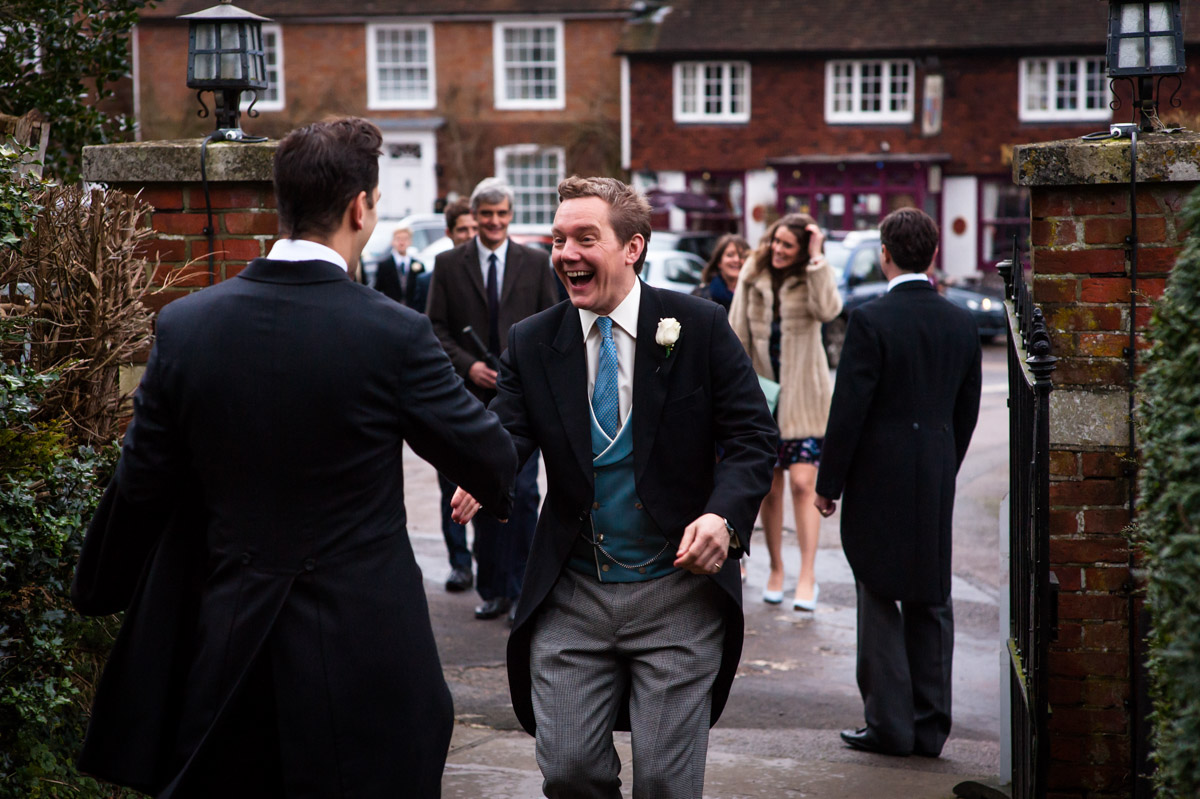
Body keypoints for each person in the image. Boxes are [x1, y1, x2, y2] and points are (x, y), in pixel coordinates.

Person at [70, 117, 517, 798]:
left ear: (283, 202)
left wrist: (100, 589)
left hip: (228, 641)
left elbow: (140, 484)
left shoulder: (188, 326)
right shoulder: (391, 333)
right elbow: (487, 455)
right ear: (360, 207)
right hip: (368, 651)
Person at [454, 176, 776, 798]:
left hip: (679, 595)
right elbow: (508, 433)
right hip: (572, 594)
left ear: (632, 248)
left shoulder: (700, 327)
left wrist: (724, 517)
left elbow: (753, 439)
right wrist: (477, 464)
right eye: (557, 239)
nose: (566, 253)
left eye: (584, 238)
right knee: (569, 771)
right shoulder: (532, 340)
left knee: (664, 781)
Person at [814, 207, 982, 758]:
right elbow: (968, 408)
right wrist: (942, 461)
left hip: (878, 472)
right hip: (934, 464)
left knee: (879, 591)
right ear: (932, 254)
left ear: (885, 253)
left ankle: (890, 726)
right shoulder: (960, 321)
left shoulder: (870, 320)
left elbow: (850, 410)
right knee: (932, 596)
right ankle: (930, 726)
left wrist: (829, 483)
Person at [426, 177, 560, 622]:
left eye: (502, 213)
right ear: (476, 215)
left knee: (523, 496)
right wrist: (469, 366)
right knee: (479, 492)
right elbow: (436, 328)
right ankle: (493, 588)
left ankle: (522, 589)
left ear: (511, 215)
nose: (495, 222)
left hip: (524, 401)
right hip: (469, 399)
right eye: (487, 214)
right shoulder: (447, 264)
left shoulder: (537, 262)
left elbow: (554, 323)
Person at [728, 213, 842, 610]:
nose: (778, 250)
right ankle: (776, 568)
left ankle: (807, 575)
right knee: (769, 491)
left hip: (805, 399)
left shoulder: (813, 274)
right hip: (762, 399)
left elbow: (829, 310)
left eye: (787, 245)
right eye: (775, 242)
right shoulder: (752, 272)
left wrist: (816, 259)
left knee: (802, 486)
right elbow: (736, 332)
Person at [427, 199, 480, 593]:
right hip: (453, 389)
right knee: (452, 486)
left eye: (473, 230)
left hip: (494, 394)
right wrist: (467, 364)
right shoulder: (439, 273)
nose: (469, 236)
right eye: (462, 230)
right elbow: (431, 330)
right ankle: (460, 564)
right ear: (450, 233)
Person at [370, 226, 428, 309]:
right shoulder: (384, 265)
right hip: (391, 310)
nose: (402, 242)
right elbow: (377, 290)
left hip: (413, 312)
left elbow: (423, 293)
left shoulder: (419, 265)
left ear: (410, 242)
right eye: (398, 239)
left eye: (405, 239)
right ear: (393, 242)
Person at [691, 233, 749, 312]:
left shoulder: (755, 294)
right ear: (719, 262)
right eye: (730, 255)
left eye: (741, 256)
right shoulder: (701, 296)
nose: (736, 260)